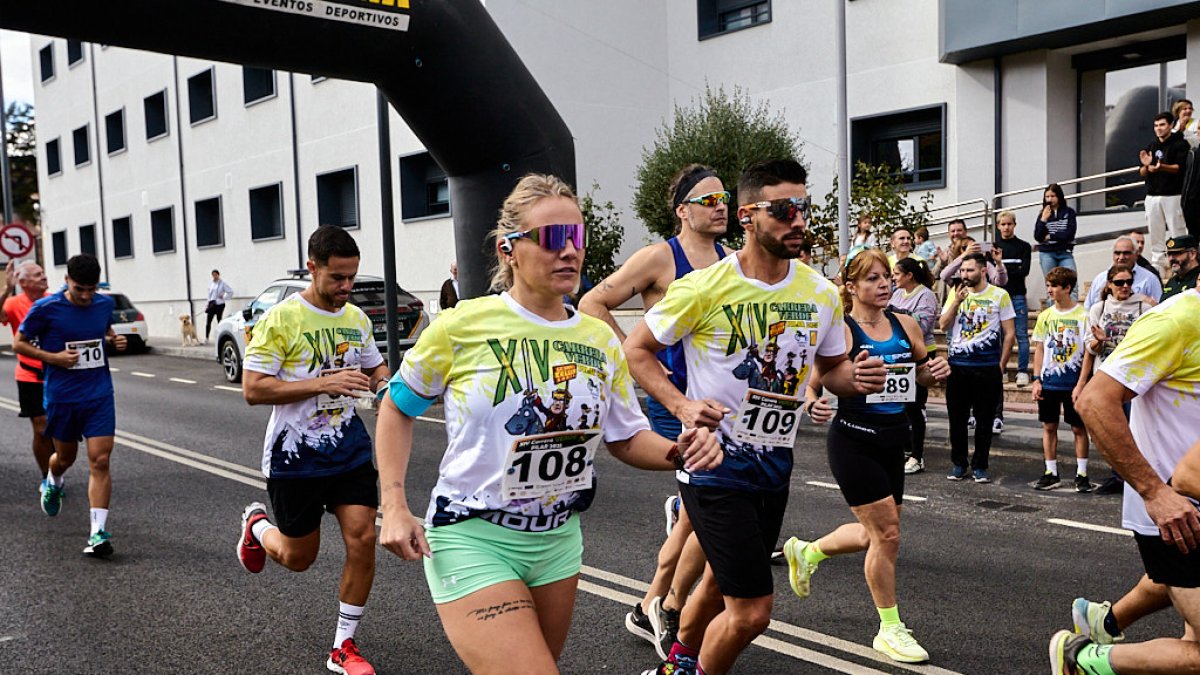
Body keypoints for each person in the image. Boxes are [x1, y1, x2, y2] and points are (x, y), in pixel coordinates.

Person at [373, 174, 722, 675]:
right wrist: (394, 505)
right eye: (554, 238)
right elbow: (395, 408)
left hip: (558, 540)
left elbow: (626, 438)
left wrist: (681, 451)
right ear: (509, 249)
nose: (570, 251)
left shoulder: (599, 339)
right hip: (473, 534)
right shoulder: (461, 326)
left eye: (577, 237)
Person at [625, 159, 886, 675]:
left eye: (804, 209)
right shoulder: (704, 286)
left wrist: (854, 379)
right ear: (747, 216)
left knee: (718, 584)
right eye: (784, 210)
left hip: (773, 467)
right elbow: (637, 349)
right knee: (751, 612)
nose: (799, 221)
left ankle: (678, 663)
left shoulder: (818, 292)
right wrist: (682, 406)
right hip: (712, 465)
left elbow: (831, 369)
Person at [579, 163, 730, 657]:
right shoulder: (659, 258)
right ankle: (658, 606)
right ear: (683, 210)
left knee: (707, 511)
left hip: (720, 404)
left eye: (725, 198)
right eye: (709, 200)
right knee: (707, 511)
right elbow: (591, 304)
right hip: (674, 399)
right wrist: (629, 355)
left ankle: (656, 604)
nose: (721, 207)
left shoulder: (732, 261)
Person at [234, 226, 392, 675]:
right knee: (298, 558)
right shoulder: (281, 320)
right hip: (294, 456)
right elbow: (253, 389)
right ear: (312, 267)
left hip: (348, 450)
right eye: (337, 277)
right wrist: (323, 383)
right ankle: (257, 527)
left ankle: (343, 646)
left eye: (352, 277)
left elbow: (375, 366)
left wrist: (386, 387)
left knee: (363, 538)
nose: (346, 287)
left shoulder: (355, 319)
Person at [782, 247, 950, 664]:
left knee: (873, 534)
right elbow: (815, 380)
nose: (883, 284)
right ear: (851, 287)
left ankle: (807, 552)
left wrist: (935, 372)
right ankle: (889, 629)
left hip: (893, 439)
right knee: (888, 535)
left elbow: (920, 372)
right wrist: (812, 402)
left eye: (886, 277)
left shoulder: (905, 323)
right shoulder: (842, 329)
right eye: (872, 278)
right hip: (854, 440)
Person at [1053, 284, 1200, 675]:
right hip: (1173, 511)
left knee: (1185, 625)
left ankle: (1103, 623)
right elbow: (1093, 401)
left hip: (1190, 506)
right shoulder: (1177, 320)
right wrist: (1154, 492)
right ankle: (1081, 659)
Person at [14, 253, 127, 557]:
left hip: (99, 394)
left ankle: (97, 533)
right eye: (80, 289)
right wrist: (53, 358)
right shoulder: (46, 308)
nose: (87, 296)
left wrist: (113, 340)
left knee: (100, 460)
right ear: (66, 281)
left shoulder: (104, 305)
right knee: (64, 458)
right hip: (63, 396)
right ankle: (54, 479)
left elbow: (104, 333)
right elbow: (19, 343)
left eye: (92, 289)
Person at [938, 253, 1015, 483]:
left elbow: (1009, 333)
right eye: (962, 271)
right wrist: (956, 302)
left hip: (987, 367)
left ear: (983, 271)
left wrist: (1001, 364)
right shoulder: (956, 293)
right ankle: (959, 464)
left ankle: (980, 465)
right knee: (957, 419)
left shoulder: (999, 295)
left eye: (969, 270)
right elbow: (943, 325)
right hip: (958, 366)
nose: (965, 275)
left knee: (984, 420)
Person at [1081, 265, 1155, 495]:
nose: (1125, 287)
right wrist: (1100, 340)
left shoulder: (1143, 306)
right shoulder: (1099, 308)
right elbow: (1090, 348)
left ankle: (1137, 477)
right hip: (1107, 375)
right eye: (1119, 282)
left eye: (1129, 282)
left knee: (1135, 430)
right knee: (1112, 430)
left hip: (1134, 378)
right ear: (1109, 285)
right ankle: (1118, 476)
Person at [1030, 267, 1092, 493]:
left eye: (1054, 286)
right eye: (1048, 285)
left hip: (1073, 382)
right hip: (1050, 381)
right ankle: (1051, 471)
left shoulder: (1083, 316)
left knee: (1078, 427)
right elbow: (1039, 348)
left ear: (1067, 288)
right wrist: (1036, 379)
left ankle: (1082, 473)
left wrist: (1082, 383)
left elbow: (1088, 352)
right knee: (1049, 426)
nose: (1050, 290)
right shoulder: (1045, 316)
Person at [1, 260, 53, 485]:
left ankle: (57, 468)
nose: (44, 276)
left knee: (58, 429)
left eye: (43, 272)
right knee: (41, 427)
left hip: (57, 373)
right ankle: (47, 477)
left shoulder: (54, 300)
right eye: (38, 274)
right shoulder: (14, 303)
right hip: (29, 375)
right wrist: (6, 289)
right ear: (23, 282)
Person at [887, 257, 939, 474]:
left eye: (897, 274)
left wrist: (897, 315)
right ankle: (905, 448)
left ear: (909, 275)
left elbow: (923, 325)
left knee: (915, 405)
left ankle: (917, 456)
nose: (893, 278)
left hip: (921, 353)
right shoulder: (897, 294)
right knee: (900, 404)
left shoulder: (926, 295)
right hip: (899, 352)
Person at [1139, 111, 1190, 275]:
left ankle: (1183, 264)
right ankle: (1158, 266)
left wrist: (1161, 167)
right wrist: (1147, 166)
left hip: (1173, 195)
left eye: (1162, 125)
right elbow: (1142, 172)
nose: (1158, 129)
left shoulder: (1179, 144)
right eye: (1156, 126)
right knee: (1155, 232)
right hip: (1152, 195)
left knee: (1177, 231)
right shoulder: (1152, 146)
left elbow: (1179, 168)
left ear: (1170, 125)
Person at [995, 211, 1032, 386]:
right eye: (1003, 224)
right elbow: (991, 273)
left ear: (1014, 225)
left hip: (1017, 295)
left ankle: (1022, 371)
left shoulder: (1024, 246)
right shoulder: (994, 247)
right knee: (1000, 335)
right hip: (999, 297)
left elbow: (1024, 271)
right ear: (998, 226)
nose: (1006, 227)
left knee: (1021, 335)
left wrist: (1003, 271)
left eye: (1009, 224)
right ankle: (1001, 370)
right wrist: (1009, 271)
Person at [1084, 237, 1163, 309]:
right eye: (1117, 253)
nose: (1121, 257)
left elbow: (1159, 309)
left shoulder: (1150, 279)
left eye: (1126, 253)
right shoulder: (1100, 279)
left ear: (1136, 254)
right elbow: (1087, 309)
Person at [1033, 183, 1078, 295]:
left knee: (1072, 282)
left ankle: (1072, 306)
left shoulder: (1069, 212)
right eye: (1047, 197)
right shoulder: (1042, 214)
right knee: (1051, 285)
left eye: (1053, 196)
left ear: (1059, 196)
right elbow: (1038, 236)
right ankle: (1053, 306)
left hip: (1065, 252)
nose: (1050, 199)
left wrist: (1050, 236)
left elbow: (1069, 234)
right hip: (1047, 253)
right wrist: (1043, 220)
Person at [1161, 234, 1199, 300]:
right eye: (1169, 254)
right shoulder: (1172, 281)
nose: (1171, 258)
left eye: (1177, 253)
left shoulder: (1198, 279)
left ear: (1192, 254)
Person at [205, 269, 234, 342]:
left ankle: (220, 337)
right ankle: (207, 338)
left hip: (220, 304)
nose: (214, 276)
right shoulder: (211, 284)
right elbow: (209, 295)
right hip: (212, 304)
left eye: (216, 275)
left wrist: (224, 297)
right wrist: (207, 304)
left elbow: (230, 292)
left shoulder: (222, 283)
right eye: (213, 275)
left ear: (218, 275)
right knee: (208, 321)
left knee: (219, 320)